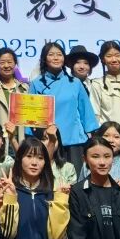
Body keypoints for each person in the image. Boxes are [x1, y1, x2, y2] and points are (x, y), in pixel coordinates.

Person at [30, 42, 99, 171]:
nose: (56, 58)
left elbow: (86, 112)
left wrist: (94, 137)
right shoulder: (36, 84)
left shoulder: (75, 83)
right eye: (51, 54)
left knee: (77, 179)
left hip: (75, 141)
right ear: (44, 59)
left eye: (59, 54)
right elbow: (32, 117)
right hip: (49, 141)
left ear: (64, 58)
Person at [88, 40, 120, 144]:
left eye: (117, 55)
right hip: (108, 141)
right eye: (109, 56)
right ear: (103, 59)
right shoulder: (97, 84)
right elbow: (95, 114)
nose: (114, 59)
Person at [0, 46, 27, 152]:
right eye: (2, 62)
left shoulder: (25, 89)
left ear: (15, 64)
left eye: (10, 62)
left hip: (21, 142)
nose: (6, 66)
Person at [82, 121, 120, 187]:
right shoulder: (87, 165)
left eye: (116, 137)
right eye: (106, 136)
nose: (111, 140)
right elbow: (79, 188)